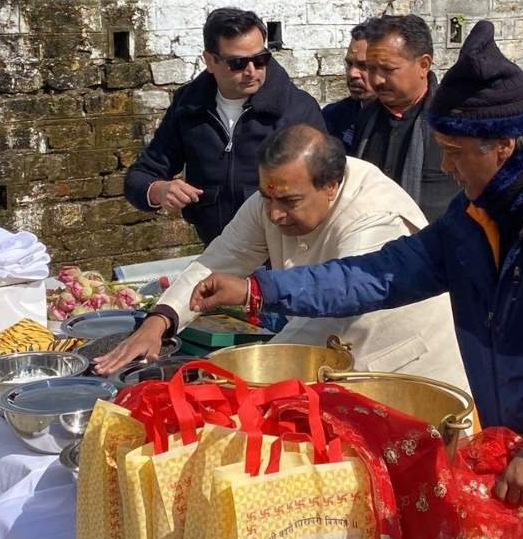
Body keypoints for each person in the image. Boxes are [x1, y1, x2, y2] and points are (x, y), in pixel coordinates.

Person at [188, 21, 523, 528]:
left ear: (502, 146)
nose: (445, 167)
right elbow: (382, 274)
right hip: (519, 450)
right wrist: (260, 289)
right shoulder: (477, 215)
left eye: (455, 152)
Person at [97, 124, 468, 391]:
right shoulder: (274, 195)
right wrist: (160, 320)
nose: (274, 214)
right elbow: (220, 261)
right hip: (333, 366)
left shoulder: (373, 216)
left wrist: (227, 376)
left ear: (331, 186)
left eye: (289, 203)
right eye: (266, 198)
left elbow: (338, 307)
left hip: (406, 375)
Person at [124, 8, 324, 244]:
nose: (251, 71)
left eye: (261, 59)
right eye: (237, 63)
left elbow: (326, 185)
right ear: (210, 61)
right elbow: (141, 175)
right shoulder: (188, 106)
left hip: (283, 250)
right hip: (216, 248)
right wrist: (158, 190)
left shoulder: (298, 109)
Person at [348, 14, 460, 222]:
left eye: (388, 69)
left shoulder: (453, 120)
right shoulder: (366, 118)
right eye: (371, 69)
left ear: (424, 65)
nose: (377, 80)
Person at [322, 23, 375, 152]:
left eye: (363, 66)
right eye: (349, 64)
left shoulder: (402, 124)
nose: (352, 74)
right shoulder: (332, 117)